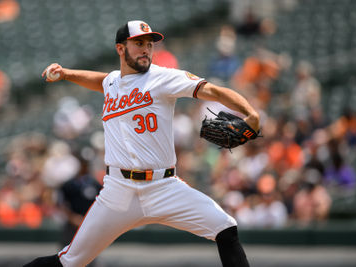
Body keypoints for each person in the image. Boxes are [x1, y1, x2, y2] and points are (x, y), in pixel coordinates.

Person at [24, 20, 259, 267]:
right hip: (118, 191)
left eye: (149, 43)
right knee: (70, 261)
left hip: (164, 186)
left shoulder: (164, 78)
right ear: (120, 48)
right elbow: (101, 81)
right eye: (138, 43)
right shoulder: (112, 82)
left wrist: (249, 112)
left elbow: (214, 91)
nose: (146, 48)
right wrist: (67, 73)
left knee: (226, 229)